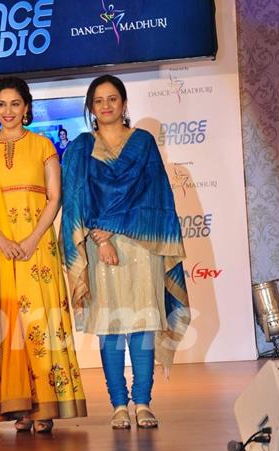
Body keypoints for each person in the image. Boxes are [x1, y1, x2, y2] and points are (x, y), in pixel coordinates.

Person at [60, 74, 190, 430]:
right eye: (98, 100)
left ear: (124, 104)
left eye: (112, 99)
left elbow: (155, 196)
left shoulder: (143, 143)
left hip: (139, 244)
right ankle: (119, 404)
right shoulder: (80, 148)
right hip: (98, 247)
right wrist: (100, 240)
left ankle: (143, 402)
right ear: (91, 108)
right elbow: (74, 202)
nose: (105, 106)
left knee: (144, 325)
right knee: (111, 328)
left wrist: (113, 228)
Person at [0, 77, 87, 433]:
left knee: (39, 320)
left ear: (27, 108)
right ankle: (18, 407)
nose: (8, 111)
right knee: (7, 322)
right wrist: (2, 240)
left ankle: (44, 408)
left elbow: (55, 197)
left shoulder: (43, 146)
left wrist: (35, 237)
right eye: (1, 105)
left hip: (38, 247)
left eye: (15, 104)